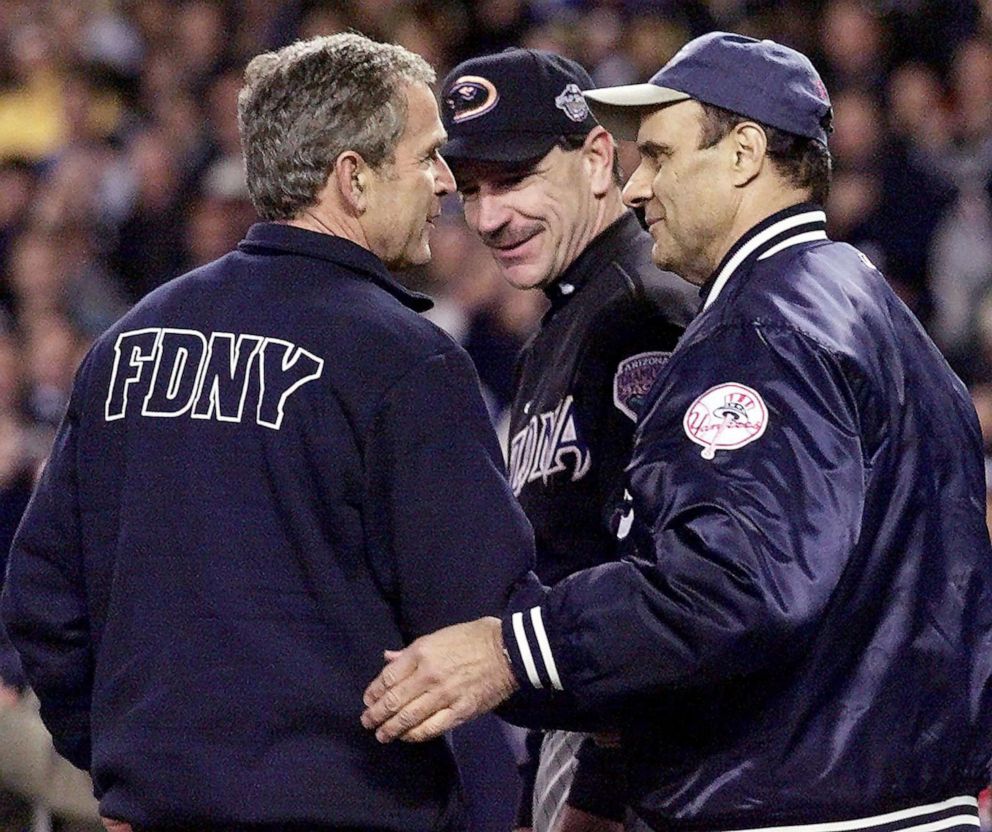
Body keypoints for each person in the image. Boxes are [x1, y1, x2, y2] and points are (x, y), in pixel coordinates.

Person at [361, 31, 992, 832]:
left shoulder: (762, 327)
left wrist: (511, 649)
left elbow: (732, 584)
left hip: (797, 805)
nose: (636, 188)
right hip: (886, 790)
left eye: (658, 155)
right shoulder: (857, 299)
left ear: (743, 153)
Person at [1, 32, 536, 832]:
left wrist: (122, 765)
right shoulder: (406, 361)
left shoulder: (132, 338)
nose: (446, 183)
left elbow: (45, 597)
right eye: (427, 156)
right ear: (353, 178)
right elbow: (481, 625)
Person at [438, 48, 697, 831]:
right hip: (580, 730)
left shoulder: (646, 310)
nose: (487, 218)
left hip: (653, 763)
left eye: (514, 179)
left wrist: (598, 786)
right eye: (472, 189)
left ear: (594, 158)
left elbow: (672, 583)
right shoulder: (569, 318)